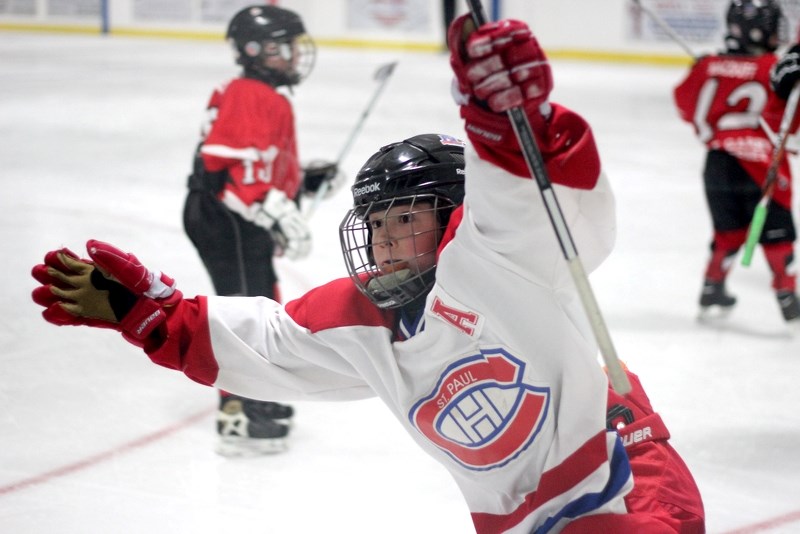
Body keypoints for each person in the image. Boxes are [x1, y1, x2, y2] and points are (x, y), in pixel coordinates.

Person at [32, 14, 704, 532]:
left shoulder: (501, 256)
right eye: (375, 225)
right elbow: (267, 341)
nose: (383, 243)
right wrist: (150, 315)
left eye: (403, 221)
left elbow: (539, 204)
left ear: (452, 217)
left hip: (622, 481)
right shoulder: (362, 318)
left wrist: (510, 124)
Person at [182, 5, 344, 456]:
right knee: (240, 312)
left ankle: (257, 396)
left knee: (260, 301)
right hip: (224, 218)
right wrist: (268, 206)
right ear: (255, 51)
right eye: (283, 48)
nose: (294, 56)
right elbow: (220, 167)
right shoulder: (252, 92)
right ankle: (237, 410)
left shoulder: (262, 92)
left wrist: (300, 181)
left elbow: (259, 161)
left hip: (233, 216)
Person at [674, 0, 800, 323]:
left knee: (727, 230)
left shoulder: (710, 64)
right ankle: (788, 297)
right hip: (762, 163)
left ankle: (711, 286)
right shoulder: (774, 66)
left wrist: (701, 68)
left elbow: (685, 105)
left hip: (718, 160)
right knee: (777, 230)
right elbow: (788, 119)